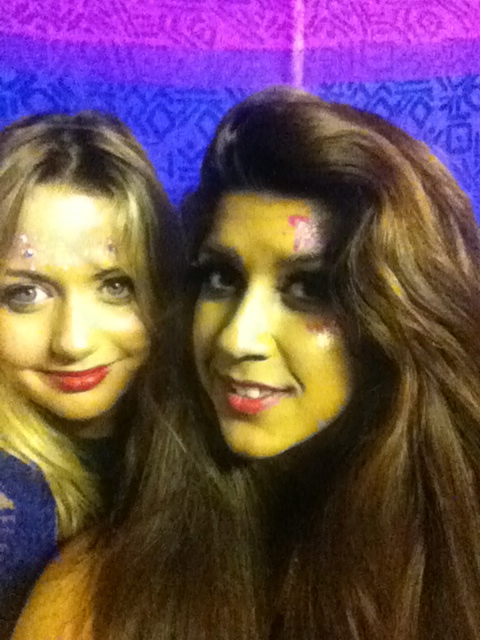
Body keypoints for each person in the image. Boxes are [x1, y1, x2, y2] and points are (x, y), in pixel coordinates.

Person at [14, 87, 480, 640]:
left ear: (399, 317)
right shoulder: (91, 594)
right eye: (222, 278)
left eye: (309, 288)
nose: (238, 338)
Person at [0, 111, 178, 634]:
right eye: (25, 293)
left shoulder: (191, 449)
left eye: (115, 286)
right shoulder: (14, 514)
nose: (73, 341)